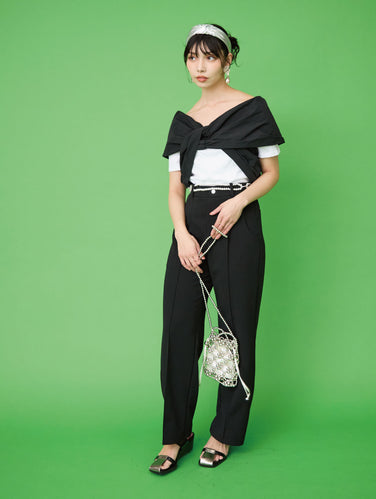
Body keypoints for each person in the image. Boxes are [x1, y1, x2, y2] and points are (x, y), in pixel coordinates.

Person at [149, 23, 285, 474]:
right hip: (190, 224)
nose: (200, 66)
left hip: (237, 221)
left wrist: (240, 202)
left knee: (236, 326)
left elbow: (270, 173)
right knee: (178, 329)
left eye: (209, 56)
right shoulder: (183, 123)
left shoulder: (253, 109)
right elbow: (175, 189)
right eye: (192, 57)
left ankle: (223, 431)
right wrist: (181, 234)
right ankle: (175, 435)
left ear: (228, 60)